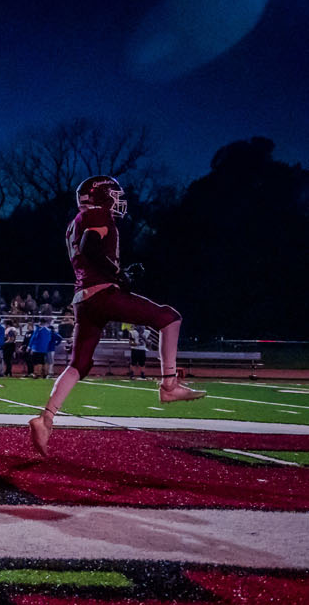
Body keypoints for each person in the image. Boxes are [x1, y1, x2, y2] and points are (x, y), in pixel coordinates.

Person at [28, 176, 205, 455]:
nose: (118, 199)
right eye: (113, 194)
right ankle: (169, 384)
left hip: (83, 298)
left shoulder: (74, 222)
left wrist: (114, 274)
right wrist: (116, 273)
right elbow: (90, 246)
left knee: (79, 364)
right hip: (102, 295)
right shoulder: (98, 215)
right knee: (170, 317)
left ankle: (46, 418)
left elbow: (85, 254)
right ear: (101, 197)